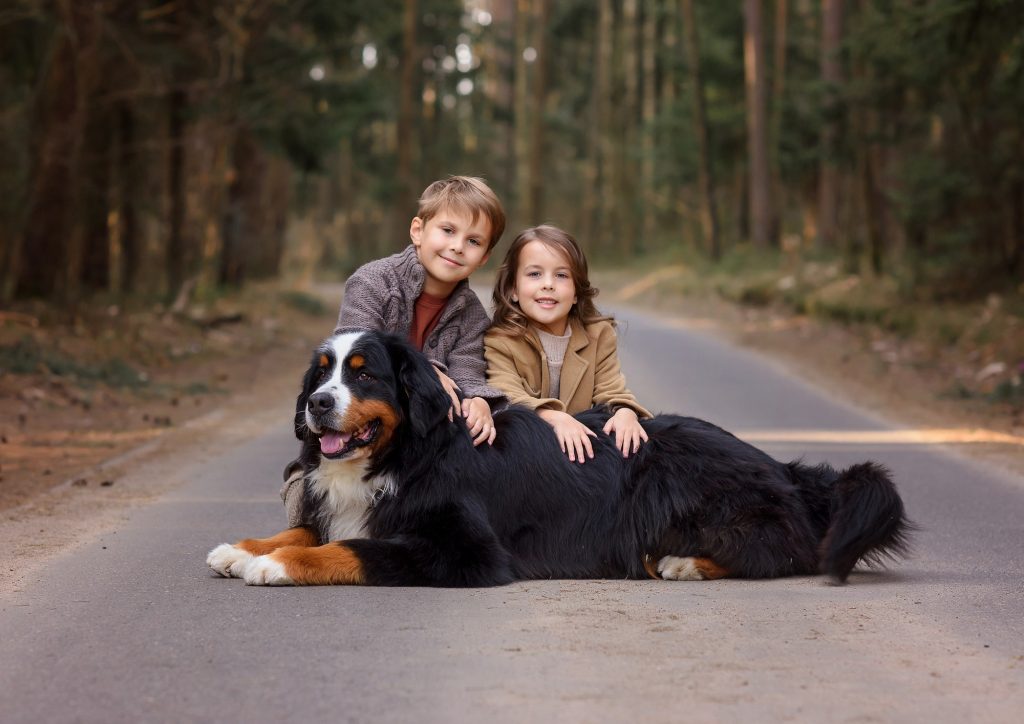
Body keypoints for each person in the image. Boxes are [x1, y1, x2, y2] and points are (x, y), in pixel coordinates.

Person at [281, 175, 508, 526]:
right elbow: (351, 346)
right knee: (330, 435)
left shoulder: (473, 314)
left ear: (484, 257)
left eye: (473, 240)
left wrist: (478, 398)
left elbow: (467, 368)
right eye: (447, 231)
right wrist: (429, 371)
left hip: (414, 432)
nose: (457, 246)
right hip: (360, 409)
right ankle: (307, 488)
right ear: (418, 230)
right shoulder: (373, 282)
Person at [484, 224, 651, 464]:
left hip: (579, 461)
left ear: (575, 293)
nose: (548, 284)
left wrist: (625, 412)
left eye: (561, 275)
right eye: (534, 274)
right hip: (523, 458)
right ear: (513, 289)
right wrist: (552, 416)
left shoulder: (598, 335)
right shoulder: (501, 340)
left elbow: (611, 389)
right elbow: (505, 393)